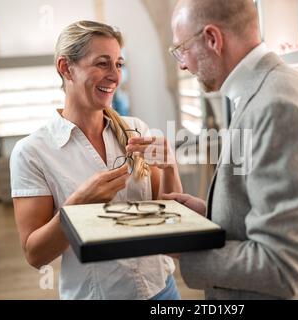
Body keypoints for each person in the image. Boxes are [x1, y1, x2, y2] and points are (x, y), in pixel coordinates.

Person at [163, 0, 298, 299]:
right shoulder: (277, 88)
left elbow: (284, 267)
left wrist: (186, 250)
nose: (182, 64)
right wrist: (211, 215)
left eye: (182, 49)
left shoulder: (276, 106)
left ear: (213, 39)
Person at [10, 20, 183, 300]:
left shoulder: (135, 129)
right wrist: (78, 205)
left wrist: (170, 167)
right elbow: (35, 254)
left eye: (118, 64)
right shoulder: (32, 152)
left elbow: (169, 220)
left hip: (162, 289)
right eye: (102, 63)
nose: (115, 75)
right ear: (66, 67)